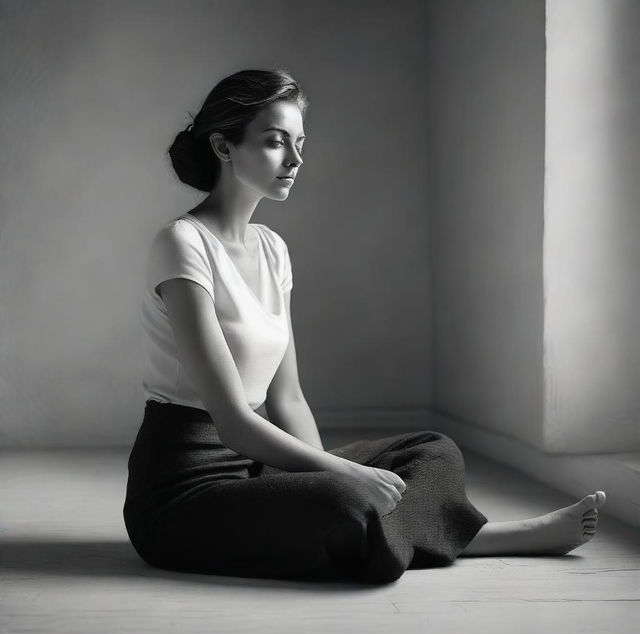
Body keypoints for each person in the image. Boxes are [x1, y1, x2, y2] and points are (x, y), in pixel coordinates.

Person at [123, 68, 606, 584]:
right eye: (273, 142)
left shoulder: (271, 249)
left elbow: (288, 400)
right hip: (185, 491)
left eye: (300, 143)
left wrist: (311, 473)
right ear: (223, 146)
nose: (295, 160)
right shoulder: (182, 244)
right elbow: (234, 422)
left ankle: (401, 528)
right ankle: (488, 538)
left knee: (432, 450)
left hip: (258, 467)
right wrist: (348, 477)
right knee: (344, 501)